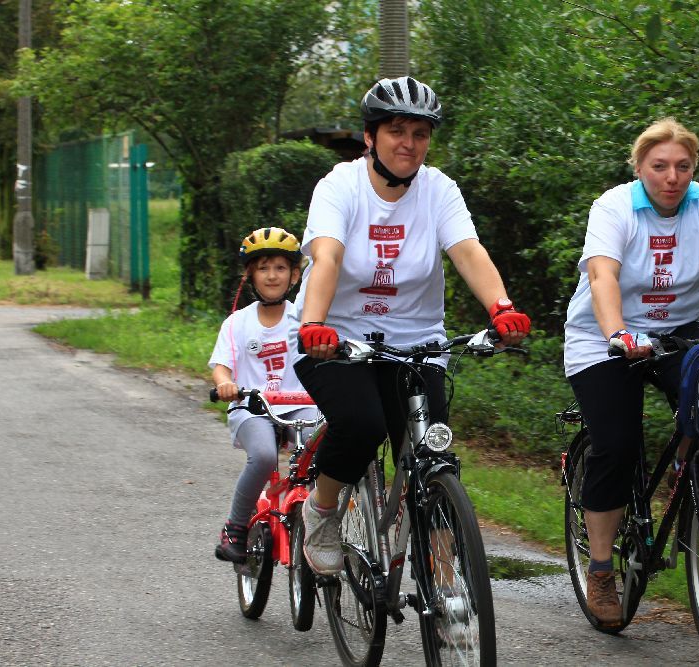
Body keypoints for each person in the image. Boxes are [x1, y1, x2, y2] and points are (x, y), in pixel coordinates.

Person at [291, 76, 531, 576]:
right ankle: (322, 508)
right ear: (370, 137)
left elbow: (467, 251)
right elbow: (328, 256)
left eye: (420, 133)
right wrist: (314, 323)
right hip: (337, 340)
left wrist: (502, 307)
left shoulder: (438, 189)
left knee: (433, 456)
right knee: (362, 424)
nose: (409, 144)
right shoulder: (340, 186)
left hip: (418, 343)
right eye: (397, 130)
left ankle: (446, 586)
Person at [562, 118, 699, 625]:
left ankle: (690, 477)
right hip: (603, 339)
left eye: (683, 166)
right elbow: (602, 274)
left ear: (694, 168)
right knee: (616, 446)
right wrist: (618, 332)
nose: (672, 176)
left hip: (678, 331)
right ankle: (600, 570)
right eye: (659, 166)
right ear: (639, 168)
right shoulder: (614, 207)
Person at [208, 227, 316, 563]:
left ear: (295, 275)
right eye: (264, 267)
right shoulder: (237, 323)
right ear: (250, 274)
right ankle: (236, 526)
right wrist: (226, 383)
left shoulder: (305, 318)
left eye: (281, 268)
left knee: (326, 450)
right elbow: (222, 366)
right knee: (265, 457)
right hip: (252, 408)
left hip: (301, 406)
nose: (272, 276)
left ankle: (324, 519)